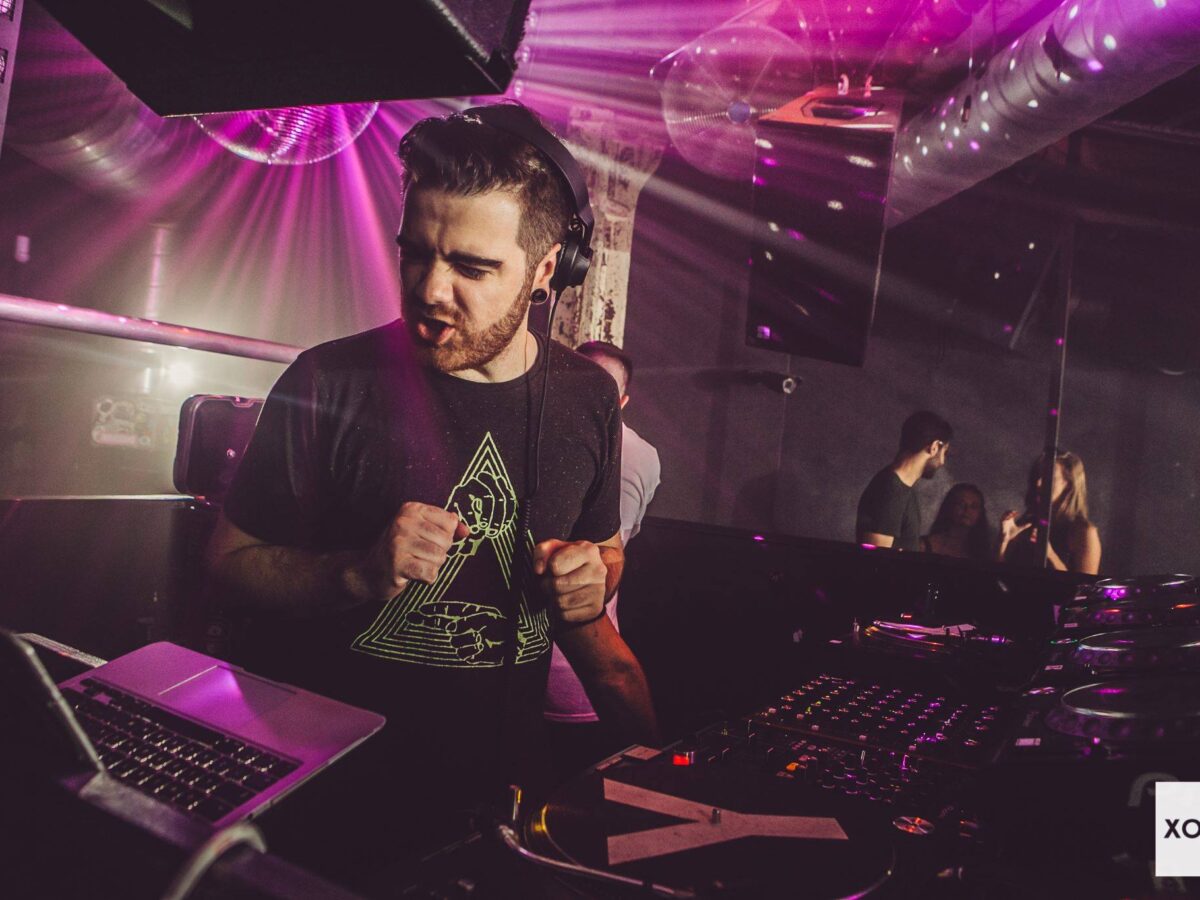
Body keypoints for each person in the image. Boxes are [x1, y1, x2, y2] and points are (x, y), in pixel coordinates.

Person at [204, 103, 658, 875]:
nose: (431, 290)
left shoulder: (587, 400)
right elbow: (227, 563)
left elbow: (605, 549)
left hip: (501, 815)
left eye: (473, 268)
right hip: (327, 819)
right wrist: (354, 573)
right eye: (415, 254)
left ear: (547, 269)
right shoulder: (327, 382)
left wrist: (595, 577)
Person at [544, 340, 661, 781]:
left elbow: (611, 555)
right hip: (536, 671)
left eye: (599, 386)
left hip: (574, 666)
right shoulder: (541, 434)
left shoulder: (632, 454)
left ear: (622, 401)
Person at [856, 411, 953, 551]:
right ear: (934, 447)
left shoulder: (901, 489)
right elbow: (876, 557)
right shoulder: (891, 490)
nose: (942, 461)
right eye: (945, 452)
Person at [998, 450, 1102, 574]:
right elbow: (997, 578)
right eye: (1037, 476)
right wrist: (1004, 541)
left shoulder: (1084, 533)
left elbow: (1084, 585)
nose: (1038, 483)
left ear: (1069, 484)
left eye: (1048, 477)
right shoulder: (1026, 524)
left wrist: (1050, 554)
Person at [921, 483, 991, 561]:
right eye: (961, 504)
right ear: (949, 507)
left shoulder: (981, 553)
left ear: (980, 513)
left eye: (974, 506)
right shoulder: (923, 546)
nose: (967, 510)